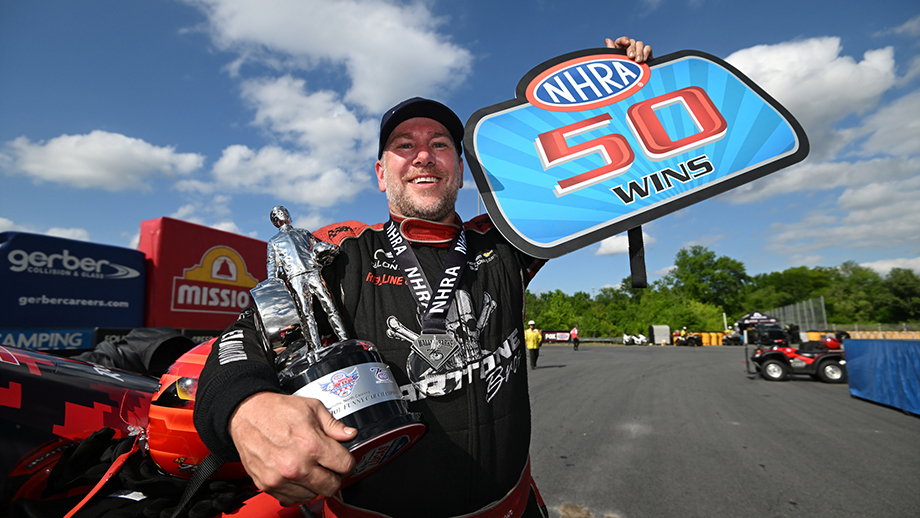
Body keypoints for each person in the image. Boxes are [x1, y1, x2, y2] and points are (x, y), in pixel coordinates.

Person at [194, 36, 652, 518]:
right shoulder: (340, 250)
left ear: (458, 169)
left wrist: (626, 88)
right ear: (380, 173)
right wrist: (246, 408)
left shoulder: (508, 243)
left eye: (439, 145)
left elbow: (595, 176)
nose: (423, 156)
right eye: (403, 146)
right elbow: (242, 337)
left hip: (516, 507)